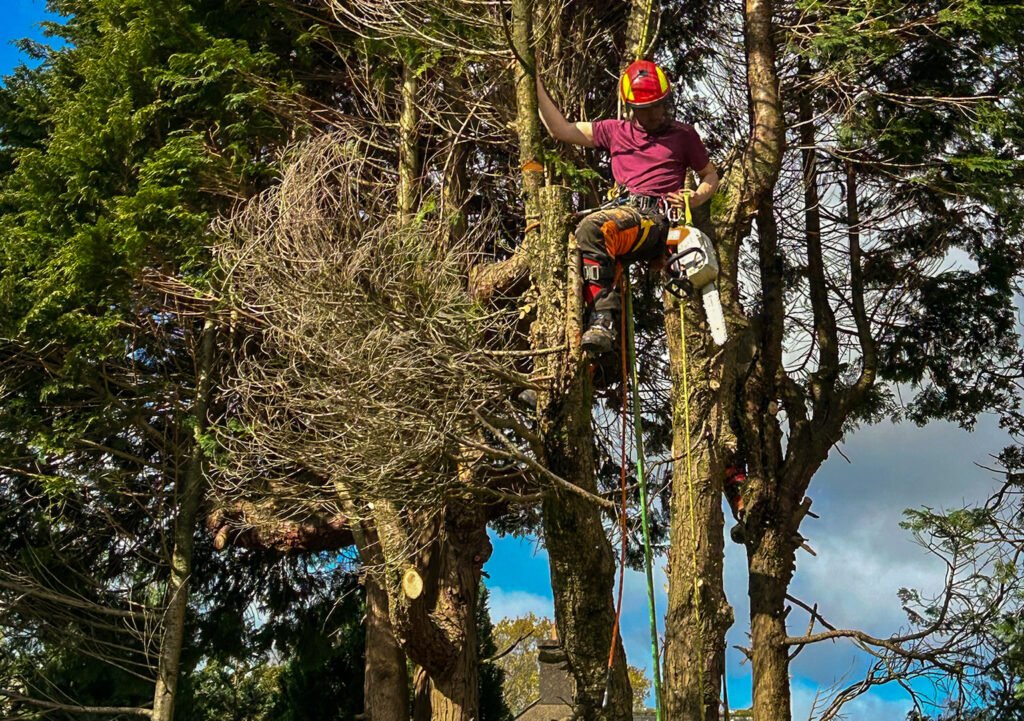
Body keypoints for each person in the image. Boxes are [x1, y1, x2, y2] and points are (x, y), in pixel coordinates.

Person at [535, 59, 720, 353]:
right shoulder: (614, 131)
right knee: (577, 277)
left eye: (658, 106)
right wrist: (533, 83)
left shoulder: (682, 135)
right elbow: (561, 129)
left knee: (594, 228)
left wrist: (695, 197)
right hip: (625, 219)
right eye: (644, 109)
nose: (653, 114)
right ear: (631, 108)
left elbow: (710, 175)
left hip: (655, 219)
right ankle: (567, 364)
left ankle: (603, 321)